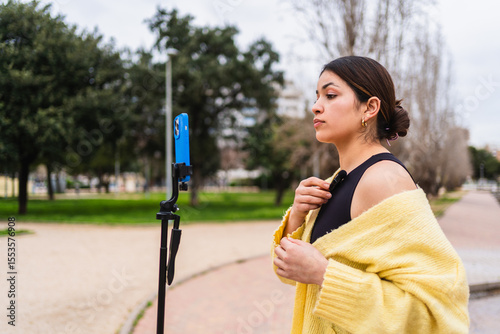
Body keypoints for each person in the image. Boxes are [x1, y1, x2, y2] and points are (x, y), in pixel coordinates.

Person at [272, 56, 469, 334]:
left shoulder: (384, 180)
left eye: (330, 95)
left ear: (370, 108)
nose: (315, 107)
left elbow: (433, 309)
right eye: (317, 97)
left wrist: (323, 273)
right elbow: (287, 270)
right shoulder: (336, 182)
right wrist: (297, 216)